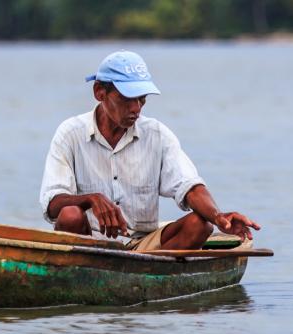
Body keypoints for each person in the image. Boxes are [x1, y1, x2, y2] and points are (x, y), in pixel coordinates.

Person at [39, 50, 260, 251]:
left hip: (145, 244)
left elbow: (190, 186)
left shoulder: (157, 134)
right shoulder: (70, 134)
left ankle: (146, 272)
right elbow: (51, 205)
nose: (136, 108)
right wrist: (90, 199)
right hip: (89, 243)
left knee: (201, 224)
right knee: (69, 215)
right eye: (126, 99)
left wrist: (219, 217)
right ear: (100, 92)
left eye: (141, 99)